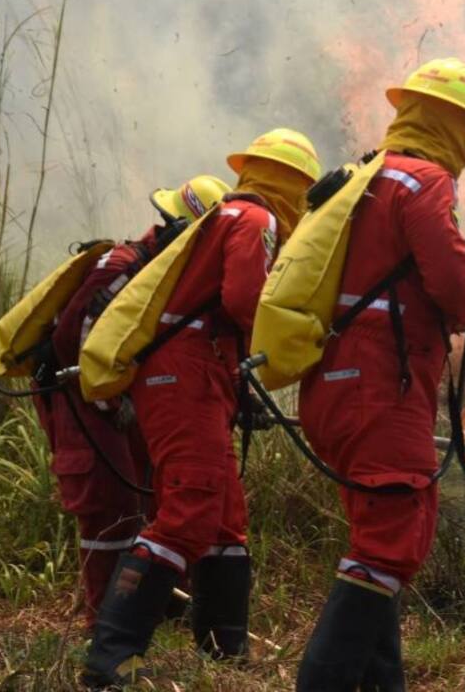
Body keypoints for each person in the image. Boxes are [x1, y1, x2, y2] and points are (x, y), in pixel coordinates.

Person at [295, 58, 465, 691]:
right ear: (450, 124)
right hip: (379, 382)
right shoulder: (420, 182)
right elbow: (450, 278)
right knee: (391, 540)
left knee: (383, 535)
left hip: (337, 381)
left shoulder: (362, 177)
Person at [82, 129, 321, 690]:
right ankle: (112, 654)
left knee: (223, 514)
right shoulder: (255, 222)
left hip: (197, 373)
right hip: (184, 373)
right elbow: (243, 303)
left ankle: (224, 650)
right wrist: (299, 333)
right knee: (191, 503)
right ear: (295, 185)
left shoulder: (227, 216)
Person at [31, 174, 230, 630]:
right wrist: (111, 401)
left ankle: (153, 607)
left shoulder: (165, 273)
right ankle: (104, 624)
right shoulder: (125, 266)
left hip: (120, 401)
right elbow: (71, 339)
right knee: (109, 506)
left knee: (152, 498)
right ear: (180, 231)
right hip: (84, 401)